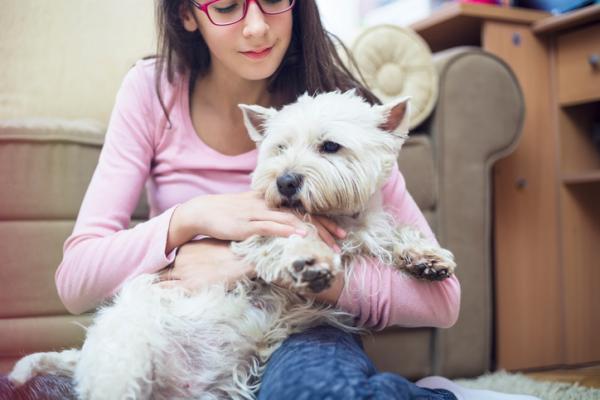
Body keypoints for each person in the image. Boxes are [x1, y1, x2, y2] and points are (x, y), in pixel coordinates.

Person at [0, 1, 541, 399]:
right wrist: (188, 221)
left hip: (304, 327)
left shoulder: (348, 117)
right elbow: (76, 280)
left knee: (317, 393)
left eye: (275, 1)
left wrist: (310, 274)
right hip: (180, 320)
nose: (256, 26)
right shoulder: (151, 91)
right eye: (229, 6)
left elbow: (442, 302)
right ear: (188, 14)